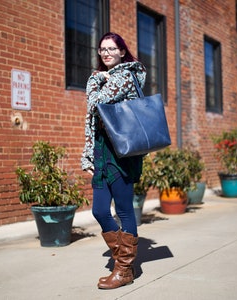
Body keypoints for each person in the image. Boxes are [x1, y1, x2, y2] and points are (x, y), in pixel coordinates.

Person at [81, 32, 146, 289]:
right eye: (102, 49)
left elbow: (97, 102)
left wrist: (94, 78)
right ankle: (124, 262)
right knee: (98, 210)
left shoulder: (125, 77)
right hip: (101, 152)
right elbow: (91, 121)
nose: (106, 53)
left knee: (123, 210)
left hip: (121, 154)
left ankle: (124, 270)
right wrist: (88, 155)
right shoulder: (104, 78)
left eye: (111, 48)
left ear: (122, 52)